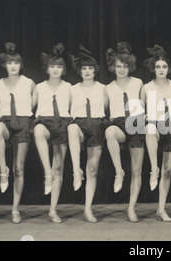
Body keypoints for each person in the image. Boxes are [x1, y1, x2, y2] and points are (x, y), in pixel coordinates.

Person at [0, 42, 36, 223]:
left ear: (20, 65)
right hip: (5, 121)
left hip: (23, 122)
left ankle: (15, 209)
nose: (13, 66)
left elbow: (33, 103)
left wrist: (24, 113)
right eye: (9, 63)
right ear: (5, 65)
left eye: (16, 63)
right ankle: (3, 169)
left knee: (19, 168)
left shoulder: (29, 83)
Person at [68, 44, 110, 223]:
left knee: (92, 170)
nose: (87, 71)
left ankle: (87, 209)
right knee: (71, 129)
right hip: (79, 124)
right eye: (84, 68)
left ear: (95, 70)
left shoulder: (103, 88)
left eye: (90, 68)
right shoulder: (72, 88)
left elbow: (107, 107)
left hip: (96, 125)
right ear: (79, 71)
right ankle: (76, 171)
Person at [104, 42, 145, 222]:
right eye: (118, 66)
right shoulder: (108, 87)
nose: (121, 70)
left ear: (130, 67)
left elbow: (144, 105)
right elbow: (103, 109)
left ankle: (131, 208)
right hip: (119, 123)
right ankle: (119, 171)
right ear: (113, 67)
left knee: (137, 170)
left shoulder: (138, 83)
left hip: (136, 123)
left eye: (125, 66)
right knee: (110, 132)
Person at [31, 43, 72, 223]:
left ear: (63, 69)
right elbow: (27, 106)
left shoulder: (69, 87)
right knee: (38, 130)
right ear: (46, 68)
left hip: (62, 123)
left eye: (59, 66)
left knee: (59, 169)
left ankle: (53, 210)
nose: (55, 70)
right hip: (45, 121)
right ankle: (46, 173)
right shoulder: (39, 87)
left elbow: (75, 107)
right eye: (52, 66)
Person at [141, 44, 171, 222]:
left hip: (170, 128)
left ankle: (161, 208)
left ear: (168, 68)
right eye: (158, 67)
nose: (161, 69)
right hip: (154, 125)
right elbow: (140, 110)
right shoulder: (146, 87)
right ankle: (153, 169)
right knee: (149, 129)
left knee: (168, 171)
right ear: (153, 68)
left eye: (164, 66)